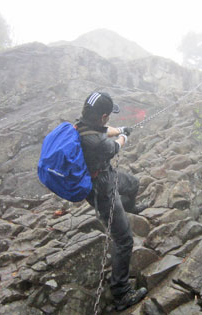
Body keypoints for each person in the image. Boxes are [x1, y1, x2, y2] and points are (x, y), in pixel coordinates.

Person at [75, 91, 148, 311]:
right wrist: (124, 136)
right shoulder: (96, 142)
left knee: (133, 184)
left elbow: (103, 131)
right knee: (124, 239)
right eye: (108, 117)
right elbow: (114, 147)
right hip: (101, 190)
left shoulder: (83, 124)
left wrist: (120, 130)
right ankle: (121, 293)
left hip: (105, 175)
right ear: (104, 115)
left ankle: (128, 208)